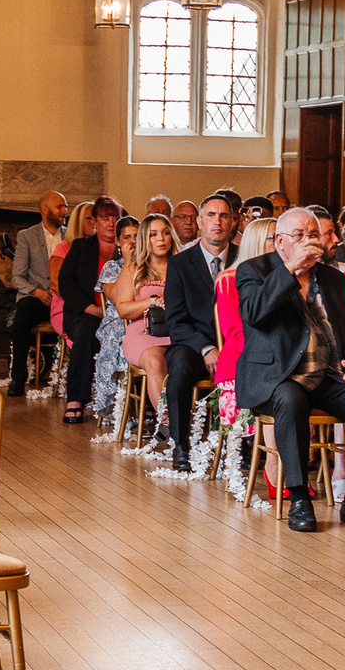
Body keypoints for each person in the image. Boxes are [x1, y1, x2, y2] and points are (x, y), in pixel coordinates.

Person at [234, 209, 345, 533]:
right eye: (300, 236)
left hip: (330, 374)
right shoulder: (254, 270)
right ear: (279, 241)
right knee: (290, 398)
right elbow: (253, 313)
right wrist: (290, 270)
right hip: (280, 377)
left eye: (313, 235)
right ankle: (300, 497)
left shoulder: (331, 276)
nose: (309, 242)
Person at [160, 189, 241, 469]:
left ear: (233, 222)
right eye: (210, 215)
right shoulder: (180, 263)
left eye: (224, 216)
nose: (217, 221)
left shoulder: (246, 261)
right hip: (193, 344)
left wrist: (229, 349)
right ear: (200, 222)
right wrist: (207, 348)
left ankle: (246, 445)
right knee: (179, 369)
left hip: (236, 344)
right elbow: (176, 320)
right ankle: (181, 446)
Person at [53, 197, 122, 424]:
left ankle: (142, 404)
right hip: (85, 313)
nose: (111, 224)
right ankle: (76, 399)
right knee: (85, 334)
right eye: (105, 219)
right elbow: (65, 283)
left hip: (123, 315)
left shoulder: (129, 248)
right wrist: (90, 308)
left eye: (115, 218)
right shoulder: (81, 247)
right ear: (95, 221)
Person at [110, 214, 177, 436]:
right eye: (153, 234)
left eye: (166, 233)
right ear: (145, 240)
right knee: (155, 361)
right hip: (143, 333)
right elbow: (123, 309)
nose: (161, 239)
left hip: (177, 331)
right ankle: (168, 422)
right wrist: (151, 300)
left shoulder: (182, 266)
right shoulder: (134, 269)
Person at [212, 217, 277, 432]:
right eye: (274, 237)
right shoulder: (228, 278)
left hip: (279, 357)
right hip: (244, 356)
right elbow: (234, 331)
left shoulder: (284, 278)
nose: (281, 242)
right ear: (257, 241)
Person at [7, 190, 65, 397]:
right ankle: (18, 379)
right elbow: (17, 277)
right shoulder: (27, 236)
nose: (65, 211)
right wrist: (37, 292)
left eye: (65, 207)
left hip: (64, 298)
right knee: (22, 315)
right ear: (44, 209)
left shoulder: (71, 235)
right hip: (38, 298)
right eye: (60, 207)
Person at [89, 214, 138, 422]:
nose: (133, 242)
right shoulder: (112, 267)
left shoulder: (153, 264)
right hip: (118, 318)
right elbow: (118, 299)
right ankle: (119, 404)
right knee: (117, 335)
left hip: (144, 316)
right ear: (118, 241)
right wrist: (128, 264)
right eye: (127, 237)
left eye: (137, 236)